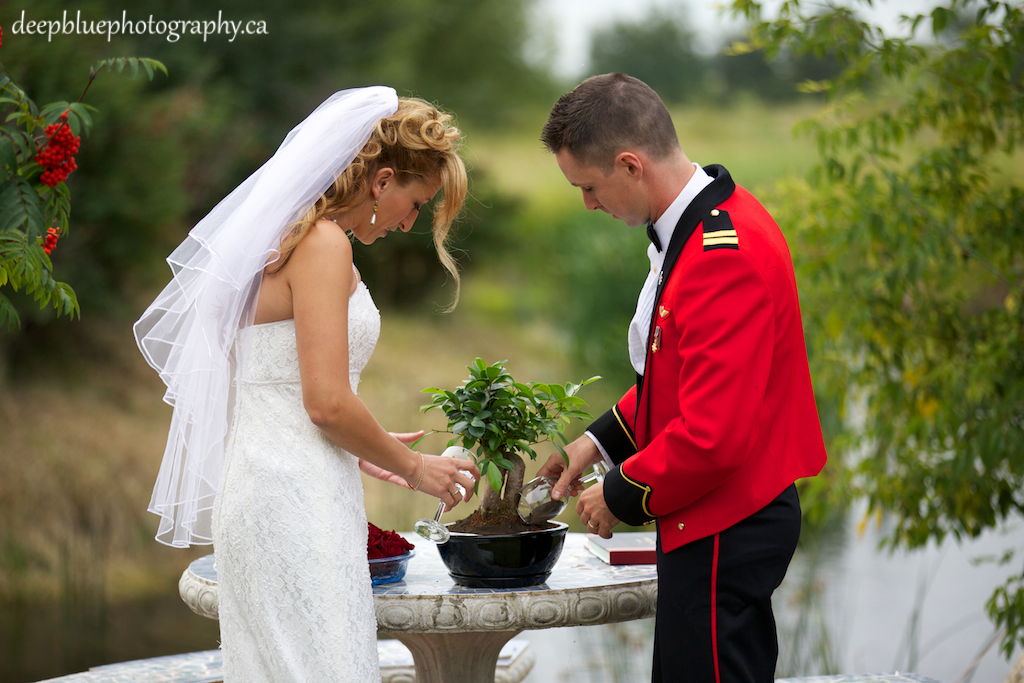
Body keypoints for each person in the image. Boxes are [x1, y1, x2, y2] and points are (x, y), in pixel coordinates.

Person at [134, 87, 480, 682]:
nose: (410, 222)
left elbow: (280, 386)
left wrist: (368, 449)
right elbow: (324, 404)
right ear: (382, 180)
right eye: (416, 202)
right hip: (292, 499)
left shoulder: (290, 239)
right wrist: (416, 468)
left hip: (277, 481)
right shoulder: (322, 244)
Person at [535, 73, 828, 682]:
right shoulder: (698, 227)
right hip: (711, 514)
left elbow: (713, 434)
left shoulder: (722, 255)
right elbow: (680, 380)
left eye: (588, 187)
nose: (587, 204)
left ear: (630, 164)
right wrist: (596, 443)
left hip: (729, 522)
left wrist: (617, 492)